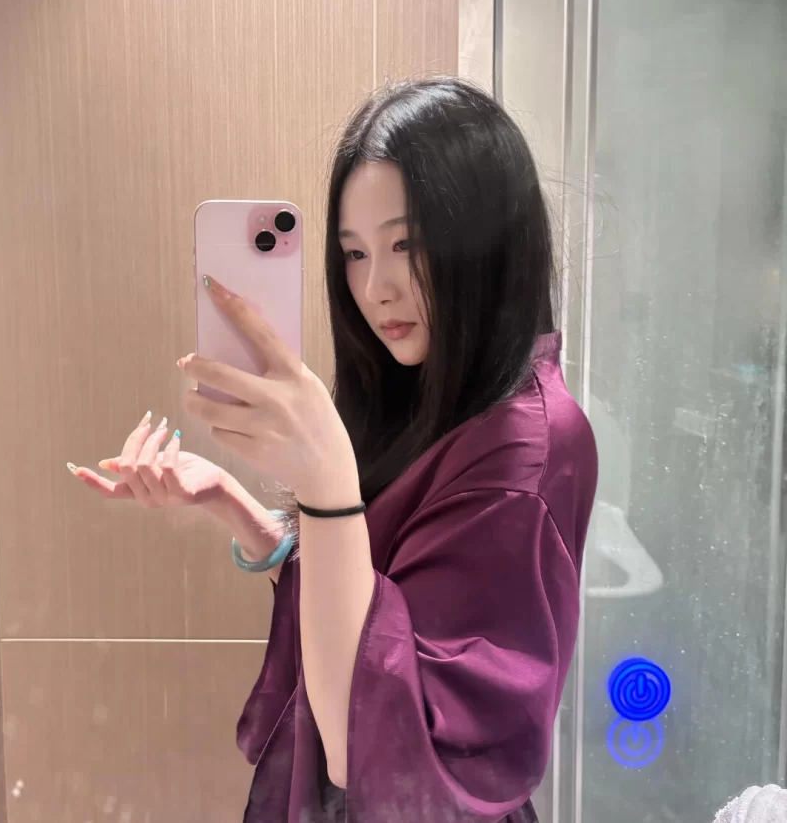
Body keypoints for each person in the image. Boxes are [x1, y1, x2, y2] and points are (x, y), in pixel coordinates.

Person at [69, 77, 598, 823]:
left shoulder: (528, 447)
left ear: (486, 240)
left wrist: (326, 484)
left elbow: (372, 744)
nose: (374, 287)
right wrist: (236, 505)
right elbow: (366, 604)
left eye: (406, 244)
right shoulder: (434, 391)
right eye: (353, 253)